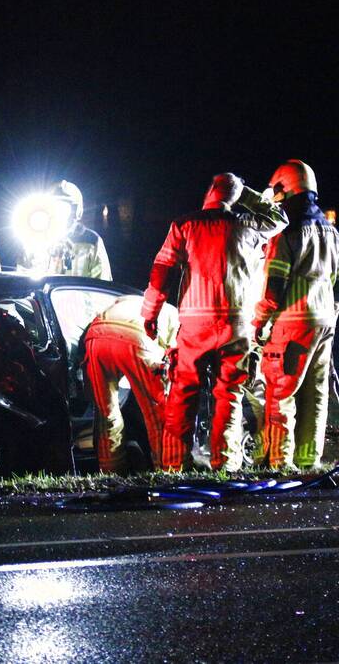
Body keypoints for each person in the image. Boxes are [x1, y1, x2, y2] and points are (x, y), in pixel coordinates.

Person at [141, 173, 287, 472]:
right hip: (237, 323)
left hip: (195, 323)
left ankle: (172, 464)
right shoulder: (249, 225)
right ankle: (226, 462)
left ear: (209, 191)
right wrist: (245, 194)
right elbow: (279, 218)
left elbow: (162, 270)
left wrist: (150, 312)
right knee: (229, 393)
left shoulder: (184, 225)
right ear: (237, 195)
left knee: (183, 393)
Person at [252, 160, 339, 470]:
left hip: (293, 323)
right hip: (325, 323)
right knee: (316, 395)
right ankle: (308, 460)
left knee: (281, 392)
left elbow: (273, 288)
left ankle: (278, 461)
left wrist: (259, 320)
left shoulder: (286, 233)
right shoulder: (332, 232)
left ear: (285, 190)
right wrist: (329, 316)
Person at [81, 295, 179, 473]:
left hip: (96, 337)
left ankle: (110, 471)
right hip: (135, 337)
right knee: (155, 413)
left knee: (106, 413)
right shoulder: (173, 314)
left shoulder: (124, 300)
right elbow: (170, 358)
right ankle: (166, 471)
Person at [17, 180, 112, 280]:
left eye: (65, 207)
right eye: (54, 206)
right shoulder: (34, 238)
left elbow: (103, 284)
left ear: (77, 212)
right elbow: (22, 278)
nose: (58, 212)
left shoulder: (91, 241)